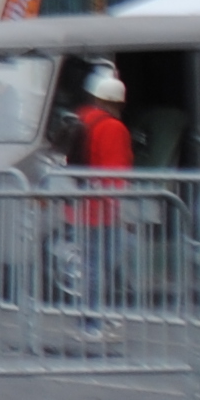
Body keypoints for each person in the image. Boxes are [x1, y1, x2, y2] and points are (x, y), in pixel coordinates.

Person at [56, 64, 134, 341]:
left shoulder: (82, 117)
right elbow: (116, 172)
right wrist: (122, 208)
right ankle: (91, 321)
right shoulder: (113, 127)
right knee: (100, 263)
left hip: (80, 204)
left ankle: (93, 315)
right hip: (102, 208)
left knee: (93, 262)